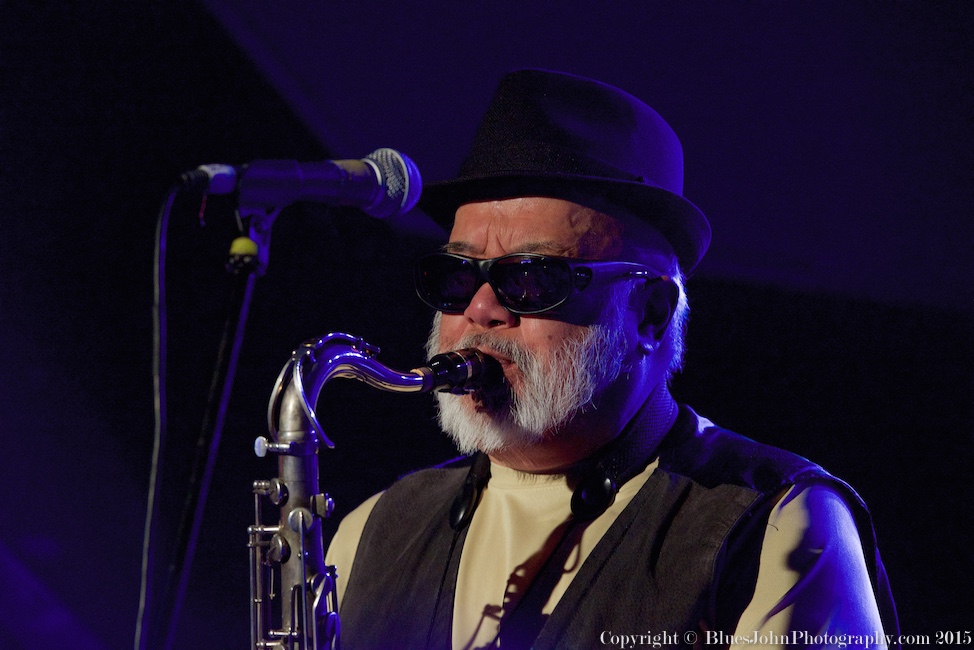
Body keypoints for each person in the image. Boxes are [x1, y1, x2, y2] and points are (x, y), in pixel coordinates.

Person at [326, 69, 898, 649]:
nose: (479, 309)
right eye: (455, 275)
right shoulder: (369, 533)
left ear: (649, 313)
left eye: (531, 278)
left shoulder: (779, 525)